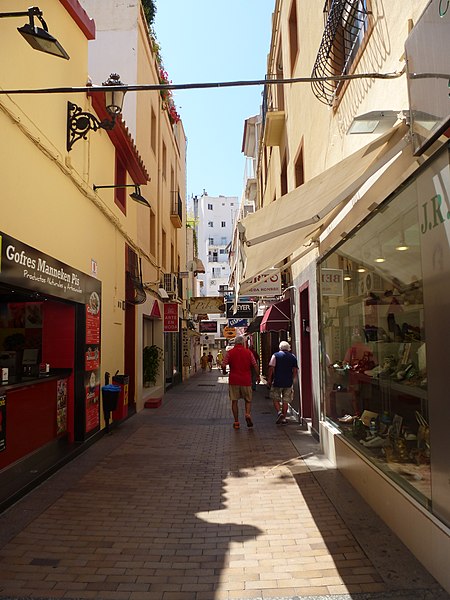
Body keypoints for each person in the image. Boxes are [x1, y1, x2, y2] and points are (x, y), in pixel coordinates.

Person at [222, 335, 259, 429]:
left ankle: (236, 422)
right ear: (243, 343)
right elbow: (255, 365)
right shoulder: (248, 352)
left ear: (235, 343)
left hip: (234, 380)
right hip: (246, 380)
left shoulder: (230, 353)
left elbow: (223, 364)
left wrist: (224, 371)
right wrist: (257, 376)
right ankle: (247, 414)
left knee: (234, 401)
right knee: (248, 400)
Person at [267, 341, 298, 425]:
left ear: (280, 347)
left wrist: (269, 379)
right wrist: (292, 378)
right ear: (288, 348)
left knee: (275, 398)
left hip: (277, 381)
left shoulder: (275, 356)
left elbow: (271, 368)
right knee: (286, 400)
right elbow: (295, 370)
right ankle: (284, 417)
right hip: (288, 382)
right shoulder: (293, 357)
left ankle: (279, 412)